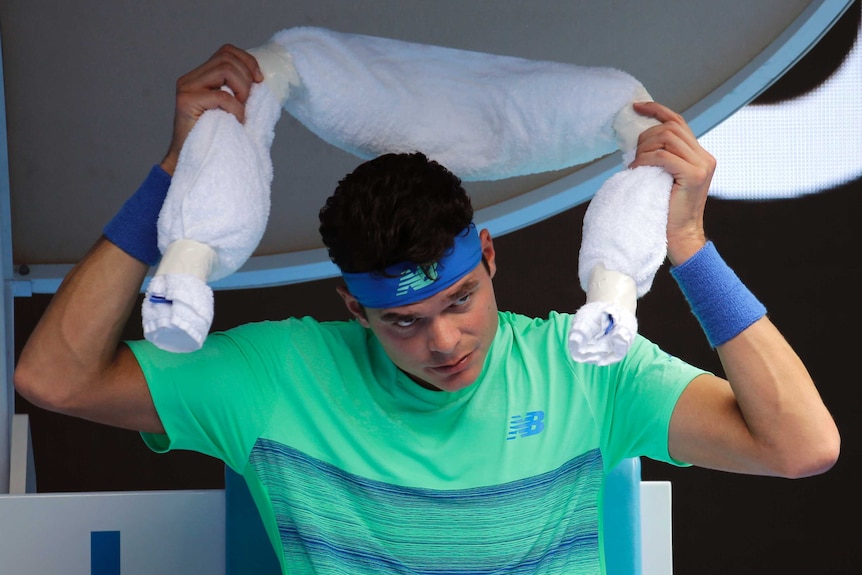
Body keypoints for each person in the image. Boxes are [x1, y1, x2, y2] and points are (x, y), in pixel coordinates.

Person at [14, 44, 839, 574]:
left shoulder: (586, 370)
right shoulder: (274, 376)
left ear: (487, 256)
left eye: (460, 301)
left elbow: (801, 446)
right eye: (403, 320)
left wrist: (686, 242)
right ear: (355, 307)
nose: (444, 340)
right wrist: (179, 168)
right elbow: (52, 376)